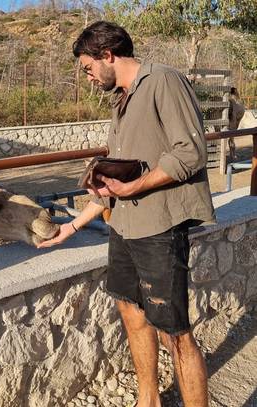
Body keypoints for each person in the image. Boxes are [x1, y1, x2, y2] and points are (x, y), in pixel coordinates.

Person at [38, 21, 215, 407]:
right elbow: (117, 183)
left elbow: (191, 152)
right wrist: (71, 227)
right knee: (130, 311)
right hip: (124, 227)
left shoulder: (164, 81)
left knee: (176, 333)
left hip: (161, 228)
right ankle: (147, 400)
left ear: (107, 54)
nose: (87, 78)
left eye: (87, 67)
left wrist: (134, 187)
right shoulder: (122, 99)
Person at [228, 87, 245, 159]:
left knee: (231, 137)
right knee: (232, 137)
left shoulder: (236, 101)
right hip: (232, 118)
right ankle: (232, 154)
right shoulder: (234, 101)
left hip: (233, 119)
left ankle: (232, 154)